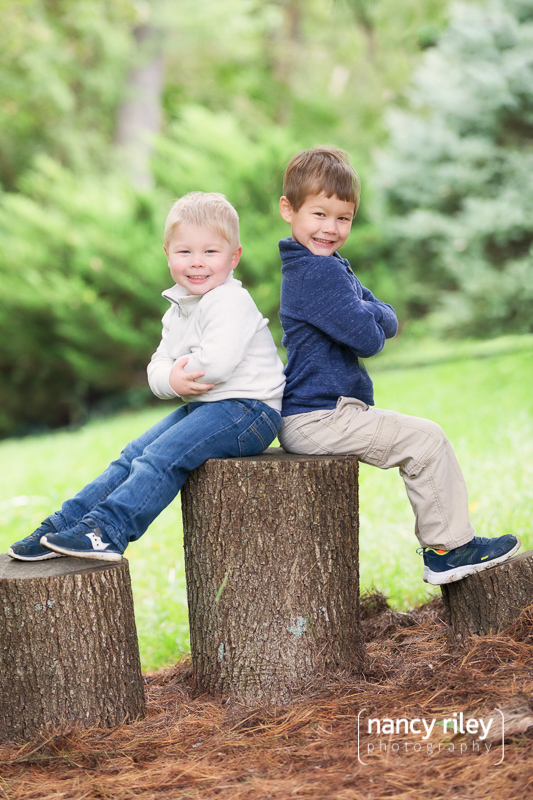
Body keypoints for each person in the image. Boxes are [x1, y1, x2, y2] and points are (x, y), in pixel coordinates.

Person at [276, 145, 520, 585]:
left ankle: (448, 545)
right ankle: (448, 549)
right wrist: (369, 312)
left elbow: (387, 314)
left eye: (343, 218)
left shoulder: (325, 266)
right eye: (319, 215)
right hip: (317, 415)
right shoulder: (318, 274)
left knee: (424, 437)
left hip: (326, 410)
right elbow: (372, 337)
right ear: (288, 210)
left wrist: (368, 311)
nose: (331, 229)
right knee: (425, 440)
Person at [8, 191, 285, 562]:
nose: (197, 263)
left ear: (234, 257)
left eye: (210, 252)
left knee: (161, 456)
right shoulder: (178, 309)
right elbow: (158, 365)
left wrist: (175, 373)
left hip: (250, 413)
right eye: (185, 252)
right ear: (168, 254)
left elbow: (215, 366)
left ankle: (108, 530)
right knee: (132, 455)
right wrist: (170, 379)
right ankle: (64, 525)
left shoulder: (229, 301)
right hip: (212, 408)